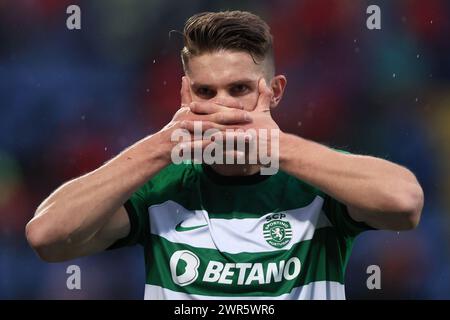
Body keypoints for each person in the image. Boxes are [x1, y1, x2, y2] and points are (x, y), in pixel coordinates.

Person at [25, 11, 424, 300]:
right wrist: (163, 145)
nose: (224, 108)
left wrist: (277, 147)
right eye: (205, 92)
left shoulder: (319, 180)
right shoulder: (161, 188)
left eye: (239, 90)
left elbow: (405, 203)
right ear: (185, 95)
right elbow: (47, 236)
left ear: (275, 92)